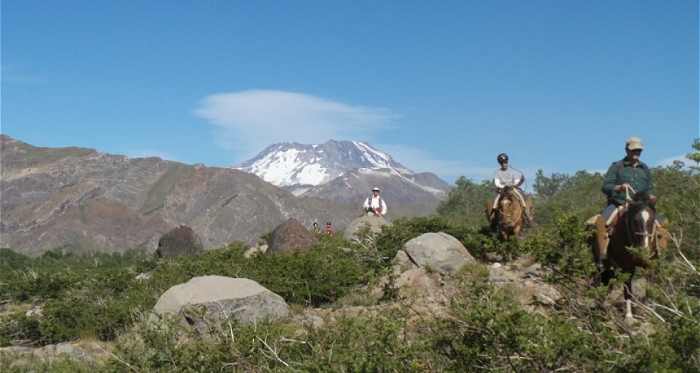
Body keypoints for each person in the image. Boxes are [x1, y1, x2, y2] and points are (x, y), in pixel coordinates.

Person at [591, 136, 667, 263]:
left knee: (663, 224)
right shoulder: (617, 166)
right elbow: (605, 186)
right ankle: (602, 256)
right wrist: (619, 187)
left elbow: (649, 188)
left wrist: (651, 195)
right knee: (600, 222)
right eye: (634, 150)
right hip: (619, 203)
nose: (636, 152)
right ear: (627, 150)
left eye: (639, 150)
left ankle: (661, 257)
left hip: (641, 206)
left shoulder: (644, 168)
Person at [488, 153, 531, 223]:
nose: (504, 164)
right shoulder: (497, 172)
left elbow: (516, 182)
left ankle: (527, 218)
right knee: (494, 202)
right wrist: (504, 187)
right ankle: (493, 220)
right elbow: (497, 183)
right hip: (501, 190)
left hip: (512, 189)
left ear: (507, 162)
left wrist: (521, 181)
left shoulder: (512, 172)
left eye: (505, 162)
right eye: (502, 163)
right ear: (500, 164)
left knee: (523, 199)